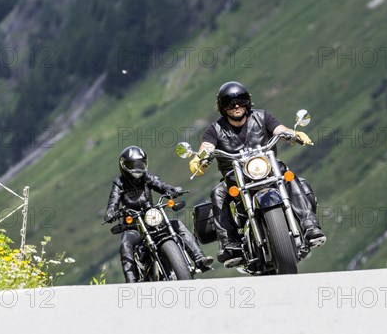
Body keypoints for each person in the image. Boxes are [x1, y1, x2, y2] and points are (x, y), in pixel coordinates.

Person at [188, 81, 326, 263]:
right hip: (234, 177)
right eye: (230, 102)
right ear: (222, 107)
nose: (236, 106)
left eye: (240, 100)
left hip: (267, 169)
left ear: (247, 102)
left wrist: (292, 134)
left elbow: (279, 129)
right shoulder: (216, 129)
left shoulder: (262, 117)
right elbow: (207, 146)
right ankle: (230, 244)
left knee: (289, 176)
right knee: (218, 192)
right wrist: (200, 158)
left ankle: (310, 226)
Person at [105, 145, 213, 283]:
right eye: (133, 164)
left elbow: (159, 184)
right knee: (125, 244)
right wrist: (111, 213)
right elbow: (113, 200)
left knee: (177, 225)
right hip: (134, 226)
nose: (137, 168)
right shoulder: (119, 183)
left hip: (151, 219)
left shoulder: (146, 176)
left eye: (140, 164)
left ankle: (199, 259)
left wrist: (171, 190)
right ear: (124, 165)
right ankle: (131, 282)